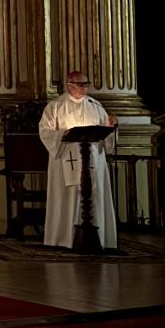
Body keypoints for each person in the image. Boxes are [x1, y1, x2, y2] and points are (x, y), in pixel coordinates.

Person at [39, 70, 118, 250]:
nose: (85, 88)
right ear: (69, 84)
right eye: (81, 85)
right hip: (66, 160)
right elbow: (45, 131)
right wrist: (63, 133)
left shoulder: (95, 106)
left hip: (92, 162)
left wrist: (111, 127)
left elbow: (106, 137)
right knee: (70, 197)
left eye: (87, 84)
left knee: (93, 196)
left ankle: (98, 238)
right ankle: (64, 239)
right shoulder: (56, 106)